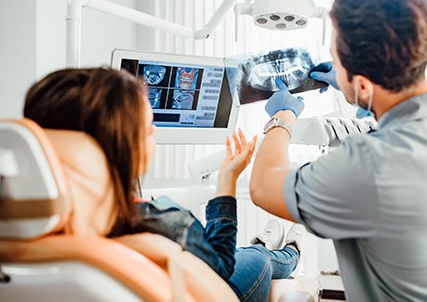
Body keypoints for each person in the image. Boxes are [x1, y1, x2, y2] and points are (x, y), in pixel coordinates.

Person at [250, 0, 427, 302]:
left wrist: (282, 118)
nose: (335, 66)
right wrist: (362, 95)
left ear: (365, 84)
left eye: (337, 61)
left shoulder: (369, 166)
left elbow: (263, 187)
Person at [23, 67, 307, 302]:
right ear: (127, 150)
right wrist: (228, 178)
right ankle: (290, 252)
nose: (155, 131)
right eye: (148, 129)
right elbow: (220, 264)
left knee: (246, 252)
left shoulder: (30, 233)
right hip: (213, 283)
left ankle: (266, 243)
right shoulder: (168, 226)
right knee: (256, 258)